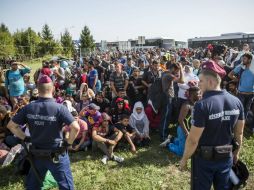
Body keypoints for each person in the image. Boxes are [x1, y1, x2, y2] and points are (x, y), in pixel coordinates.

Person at [180, 60, 245, 190]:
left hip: (204, 162)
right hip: (226, 157)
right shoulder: (236, 101)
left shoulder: (202, 105)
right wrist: (236, 153)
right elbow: (239, 133)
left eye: (201, 81)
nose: (199, 85)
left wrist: (184, 159)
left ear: (210, 82)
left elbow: (193, 140)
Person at [6, 75, 80, 190]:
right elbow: (76, 128)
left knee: (33, 185)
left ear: (38, 89)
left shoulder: (29, 108)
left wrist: (25, 138)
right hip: (56, 153)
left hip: (36, 152)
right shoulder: (60, 108)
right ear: (53, 89)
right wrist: (68, 143)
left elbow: (11, 126)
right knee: (66, 186)